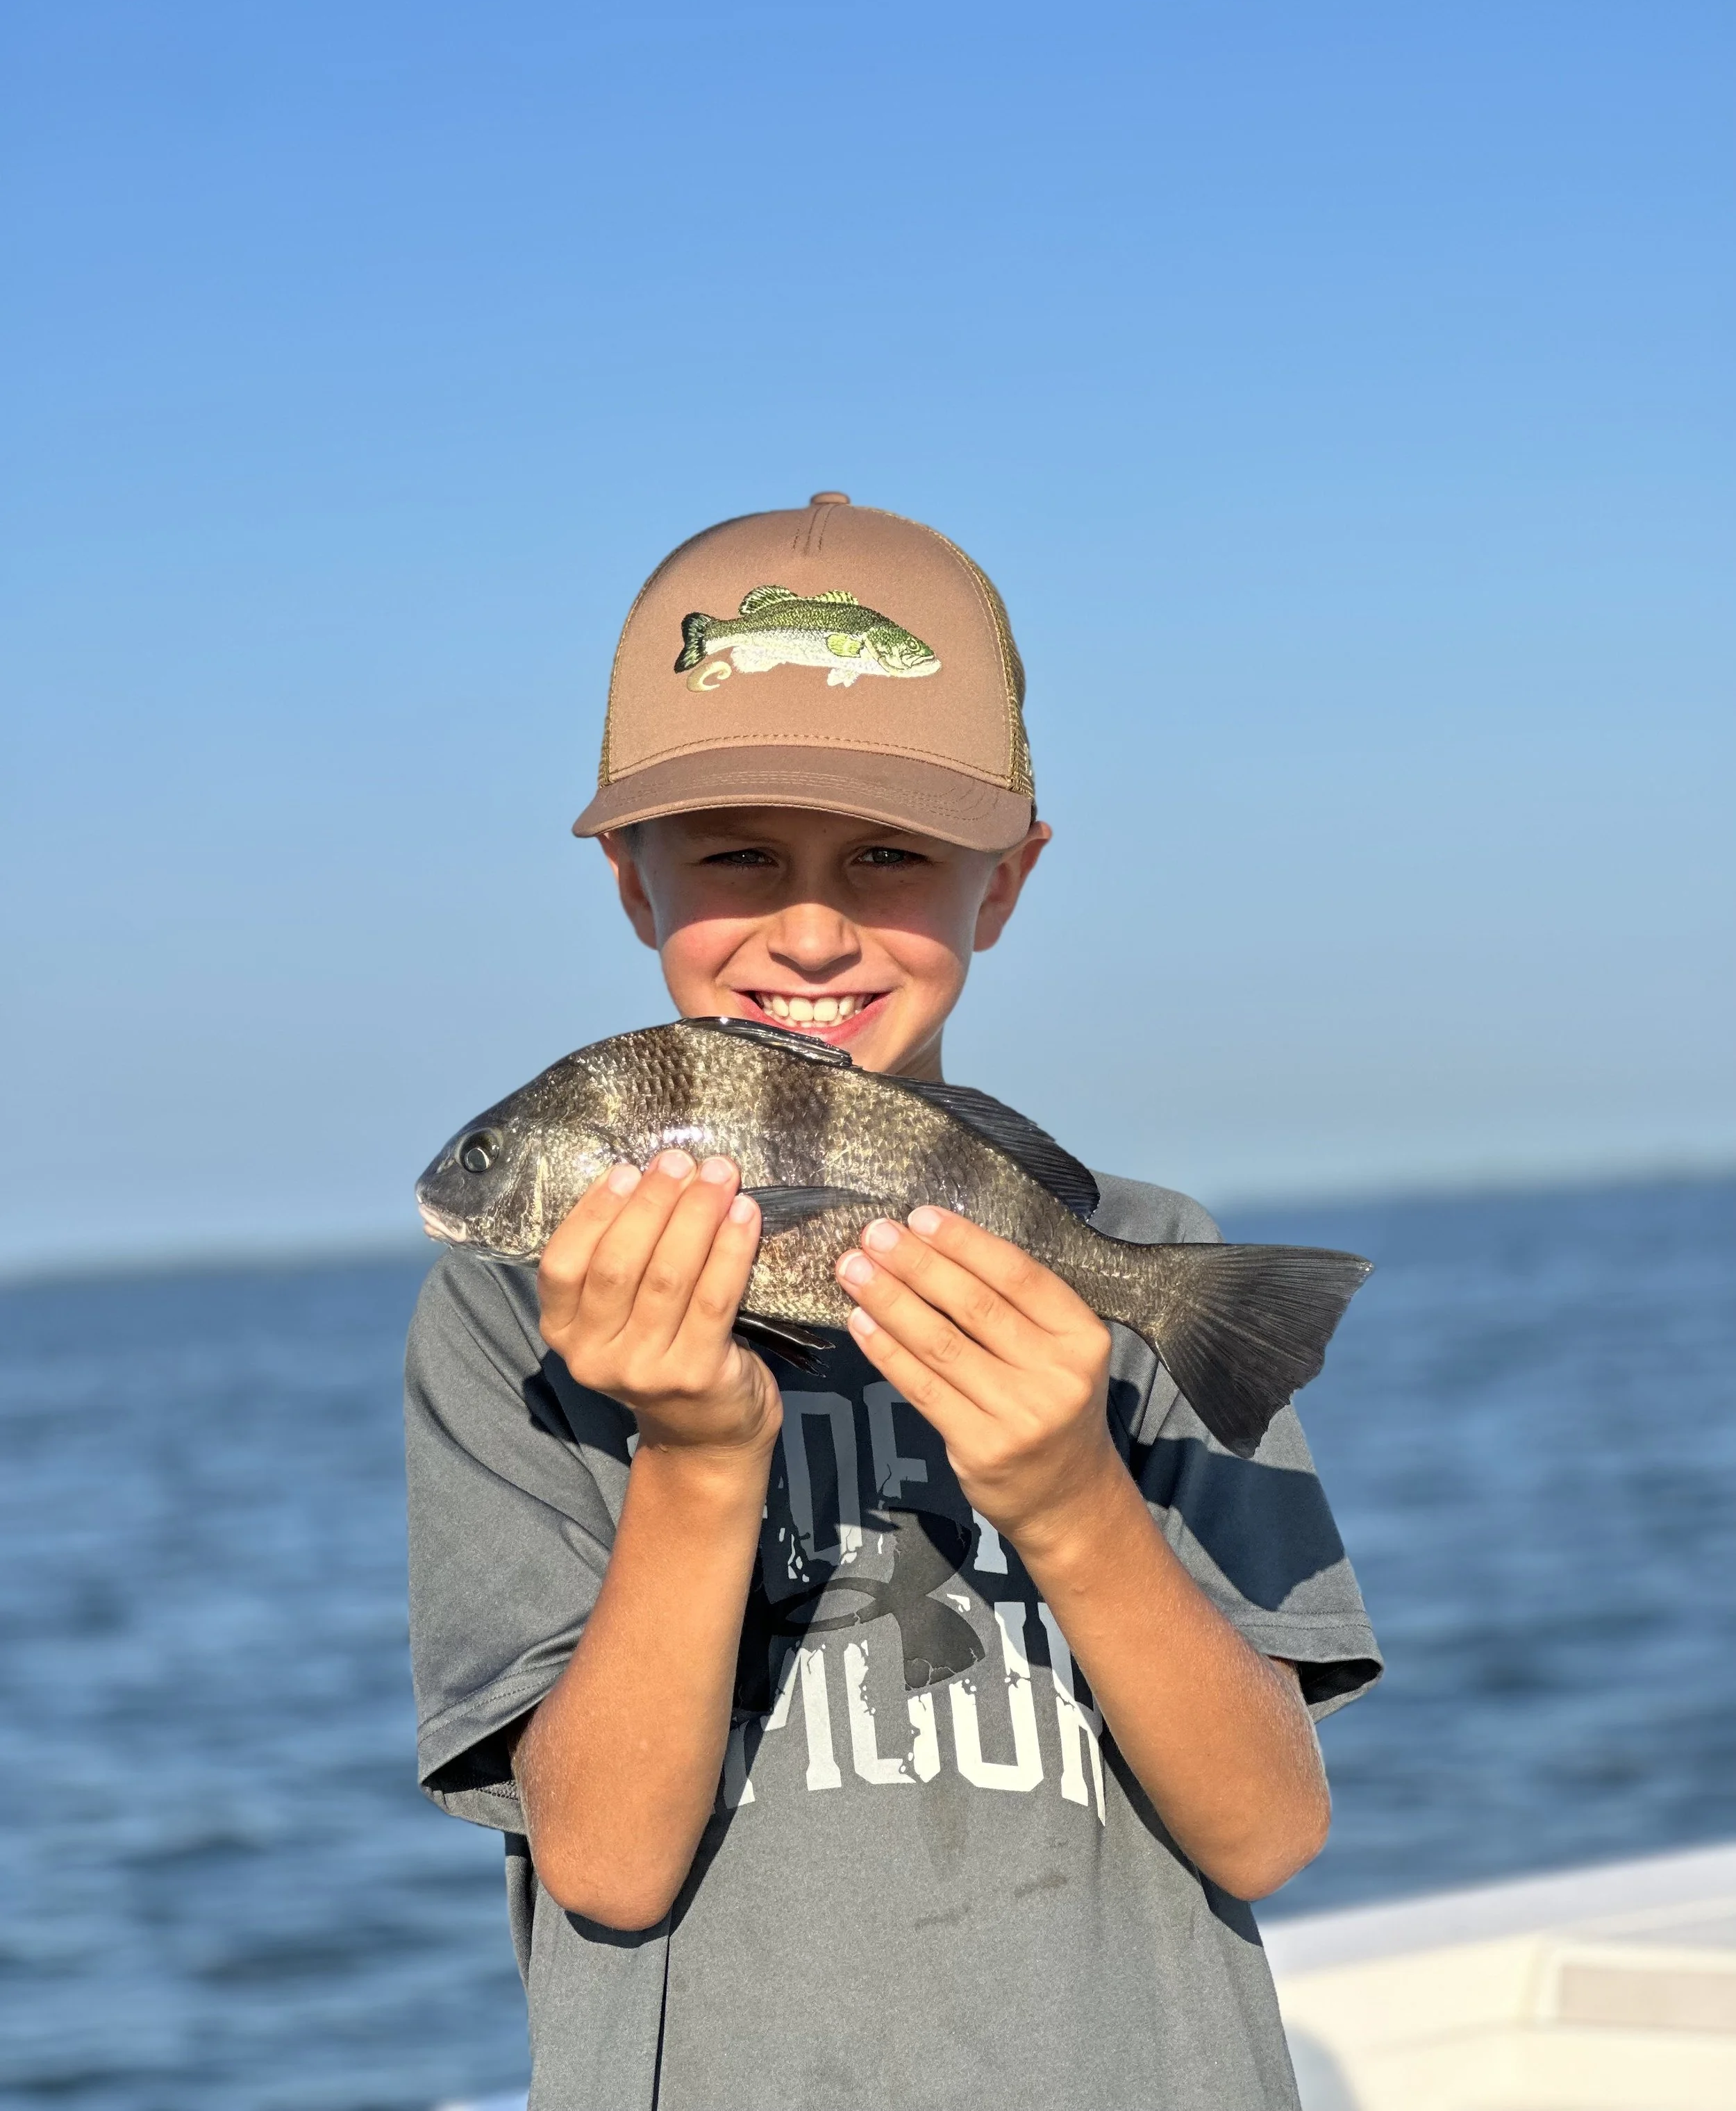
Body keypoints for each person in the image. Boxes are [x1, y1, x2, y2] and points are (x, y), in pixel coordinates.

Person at [405, 494, 1381, 2111]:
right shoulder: (509, 1330)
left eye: (889, 855)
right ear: (628, 879)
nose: (808, 924)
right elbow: (603, 1867)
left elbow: (1267, 1831)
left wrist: (1068, 1488)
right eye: (735, 852)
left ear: (1004, 883)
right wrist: (698, 1452)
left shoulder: (1142, 1260)